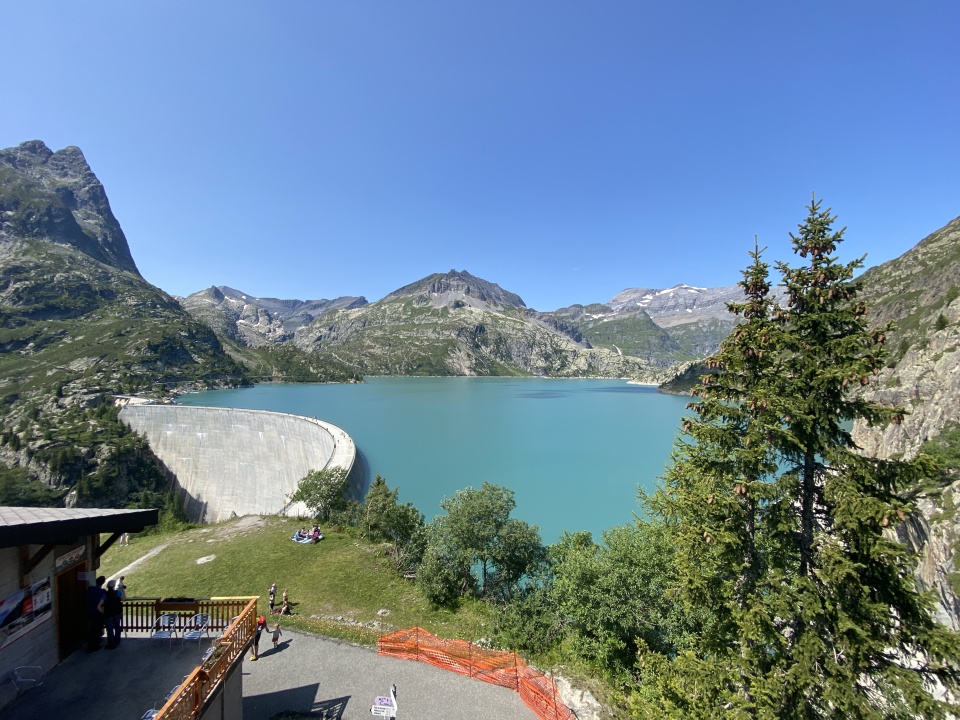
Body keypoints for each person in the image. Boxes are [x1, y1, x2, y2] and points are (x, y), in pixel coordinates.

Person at [86, 575, 106, 652]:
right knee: (96, 629)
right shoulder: (102, 592)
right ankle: (94, 646)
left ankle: (93, 644)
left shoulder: (90, 589)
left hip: (89, 611)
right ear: (103, 583)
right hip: (97, 613)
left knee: (92, 629)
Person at [104, 579, 123, 649]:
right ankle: (117, 641)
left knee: (110, 629)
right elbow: (123, 598)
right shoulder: (118, 592)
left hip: (108, 614)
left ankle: (111, 643)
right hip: (117, 612)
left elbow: (99, 605)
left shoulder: (105, 594)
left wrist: (103, 612)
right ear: (114, 586)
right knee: (117, 627)